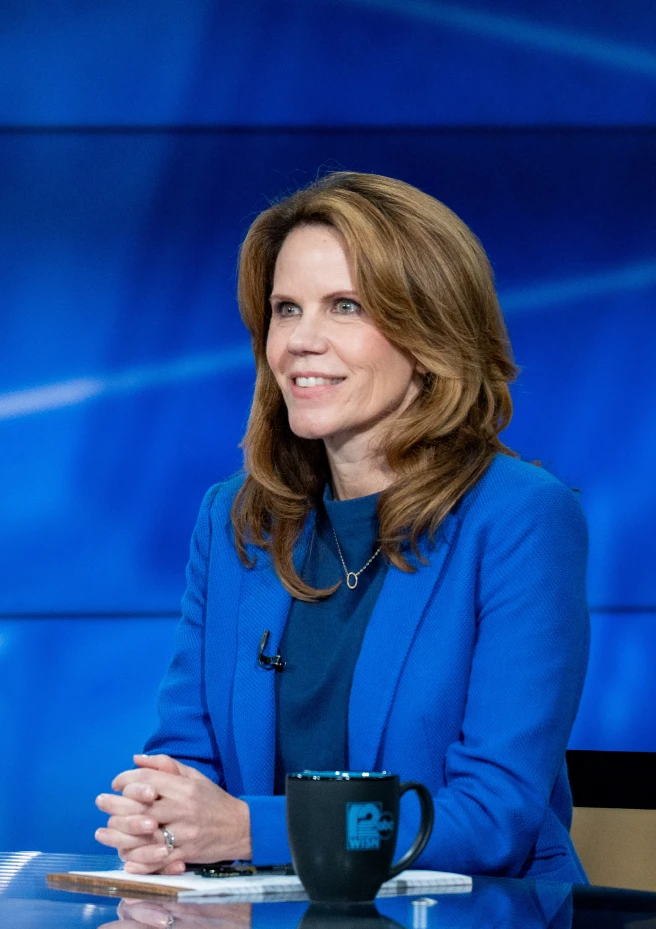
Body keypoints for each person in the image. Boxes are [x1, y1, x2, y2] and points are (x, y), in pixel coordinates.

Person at [96, 172, 589, 883]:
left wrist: (249, 830)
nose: (301, 341)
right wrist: (160, 819)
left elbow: (492, 818)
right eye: (286, 310)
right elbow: (188, 757)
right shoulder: (237, 520)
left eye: (345, 307)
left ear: (430, 330)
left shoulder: (520, 517)